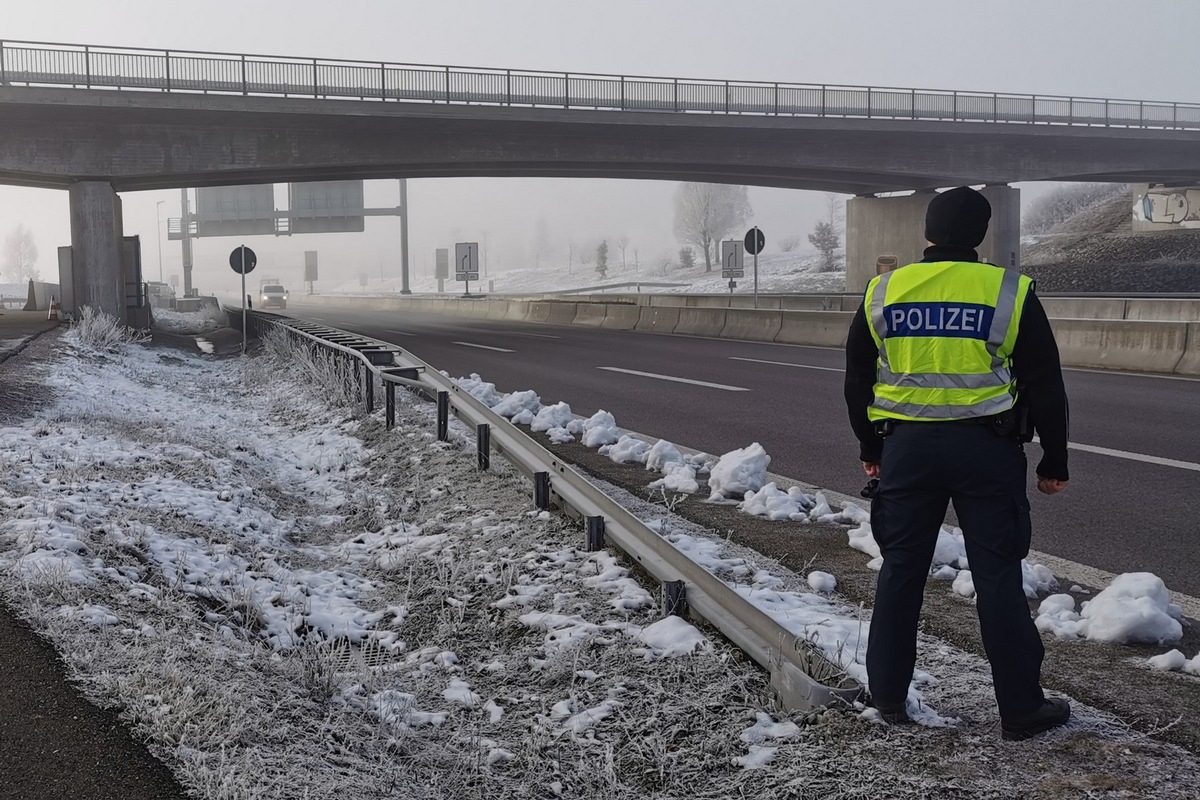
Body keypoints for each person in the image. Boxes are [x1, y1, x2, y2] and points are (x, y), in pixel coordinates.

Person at [843, 186, 1071, 741]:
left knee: (901, 574)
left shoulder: (884, 290)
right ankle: (1021, 710)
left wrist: (872, 450)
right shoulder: (1008, 290)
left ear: (928, 232)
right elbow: (1045, 383)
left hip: (907, 451)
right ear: (982, 233)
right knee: (996, 578)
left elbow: (857, 382)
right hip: (987, 451)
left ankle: (889, 697)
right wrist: (1054, 460)